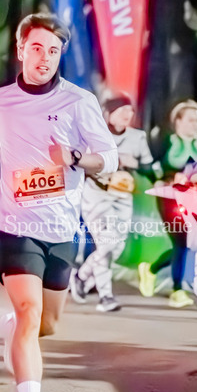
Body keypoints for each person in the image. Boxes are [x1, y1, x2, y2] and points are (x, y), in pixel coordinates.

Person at [0, 13, 118, 392]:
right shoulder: (0, 101)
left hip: (63, 227)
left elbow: (109, 158)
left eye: (53, 50)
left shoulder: (79, 101)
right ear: (20, 50)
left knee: (45, 323)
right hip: (16, 224)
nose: (45, 58)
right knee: (30, 314)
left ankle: (13, 328)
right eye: (36, 48)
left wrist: (75, 158)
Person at [70, 95, 154, 311]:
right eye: (122, 110)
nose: (128, 114)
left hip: (123, 195)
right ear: (109, 114)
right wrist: (106, 164)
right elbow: (78, 163)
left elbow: (149, 167)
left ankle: (81, 276)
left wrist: (134, 163)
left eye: (130, 110)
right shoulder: (93, 135)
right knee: (106, 244)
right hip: (97, 194)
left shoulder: (138, 137)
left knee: (117, 247)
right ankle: (106, 297)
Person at [138, 100, 197, 308]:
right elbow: (147, 165)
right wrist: (162, 179)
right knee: (180, 242)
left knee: (192, 243)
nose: (195, 124)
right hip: (170, 199)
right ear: (178, 121)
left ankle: (151, 269)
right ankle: (177, 291)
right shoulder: (165, 142)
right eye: (190, 120)